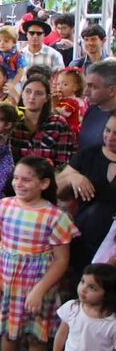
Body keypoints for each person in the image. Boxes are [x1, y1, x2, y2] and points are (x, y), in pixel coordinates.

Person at [0, 156, 80, 351]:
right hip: (6, 283)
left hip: (39, 285)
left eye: (27, 179)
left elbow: (61, 260)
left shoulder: (55, 216)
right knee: (8, 332)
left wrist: (39, 291)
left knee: (37, 336)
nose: (19, 183)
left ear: (44, 183)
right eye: (16, 178)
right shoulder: (4, 206)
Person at [57, 111, 116, 278]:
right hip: (83, 240)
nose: (110, 137)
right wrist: (72, 177)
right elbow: (56, 190)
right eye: (107, 130)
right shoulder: (88, 154)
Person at [48, 263, 116, 351]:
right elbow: (61, 334)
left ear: (107, 294)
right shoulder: (72, 308)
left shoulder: (112, 324)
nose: (83, 289)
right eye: (82, 281)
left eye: (92, 287)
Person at [11, 76, 76, 169]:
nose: (32, 97)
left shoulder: (58, 123)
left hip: (49, 178)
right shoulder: (13, 121)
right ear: (22, 94)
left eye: (38, 93)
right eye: (28, 91)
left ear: (47, 98)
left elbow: (63, 163)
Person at [80, 60, 116, 150]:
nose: (85, 92)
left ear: (112, 90)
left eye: (92, 87)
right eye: (86, 85)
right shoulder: (92, 110)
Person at [0, 26, 26, 95]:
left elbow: (20, 72)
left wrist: (12, 84)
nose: (2, 43)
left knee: (13, 94)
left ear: (14, 42)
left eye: (6, 41)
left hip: (13, 80)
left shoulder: (18, 55)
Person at [53, 67, 88, 136]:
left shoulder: (72, 102)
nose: (60, 87)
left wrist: (54, 104)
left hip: (70, 133)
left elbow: (62, 115)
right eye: (58, 84)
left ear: (76, 87)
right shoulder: (65, 100)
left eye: (65, 84)